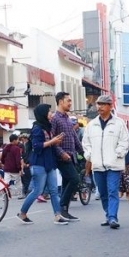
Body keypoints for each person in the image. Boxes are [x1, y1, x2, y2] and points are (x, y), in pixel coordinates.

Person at [82, 95, 129, 229]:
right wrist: (89, 154)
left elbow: (125, 141)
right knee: (102, 192)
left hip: (113, 164)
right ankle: (108, 215)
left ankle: (113, 217)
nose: (100, 107)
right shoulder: (92, 125)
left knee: (112, 191)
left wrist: (118, 153)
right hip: (97, 165)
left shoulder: (119, 123)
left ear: (110, 106)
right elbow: (86, 143)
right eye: (98, 104)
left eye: (103, 104)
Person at [16, 104, 69, 225]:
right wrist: (53, 141)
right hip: (39, 163)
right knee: (37, 191)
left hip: (49, 162)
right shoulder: (37, 128)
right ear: (43, 114)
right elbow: (36, 146)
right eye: (49, 112)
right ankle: (22, 213)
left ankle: (57, 215)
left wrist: (55, 140)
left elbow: (48, 143)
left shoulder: (48, 127)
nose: (51, 114)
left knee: (54, 190)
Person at [50, 91, 83, 221]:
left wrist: (83, 151)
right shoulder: (54, 118)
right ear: (60, 102)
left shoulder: (67, 118)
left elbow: (73, 137)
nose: (70, 103)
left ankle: (64, 212)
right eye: (68, 100)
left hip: (71, 155)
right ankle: (60, 207)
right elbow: (51, 139)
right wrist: (61, 153)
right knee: (75, 179)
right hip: (61, 157)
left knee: (67, 182)